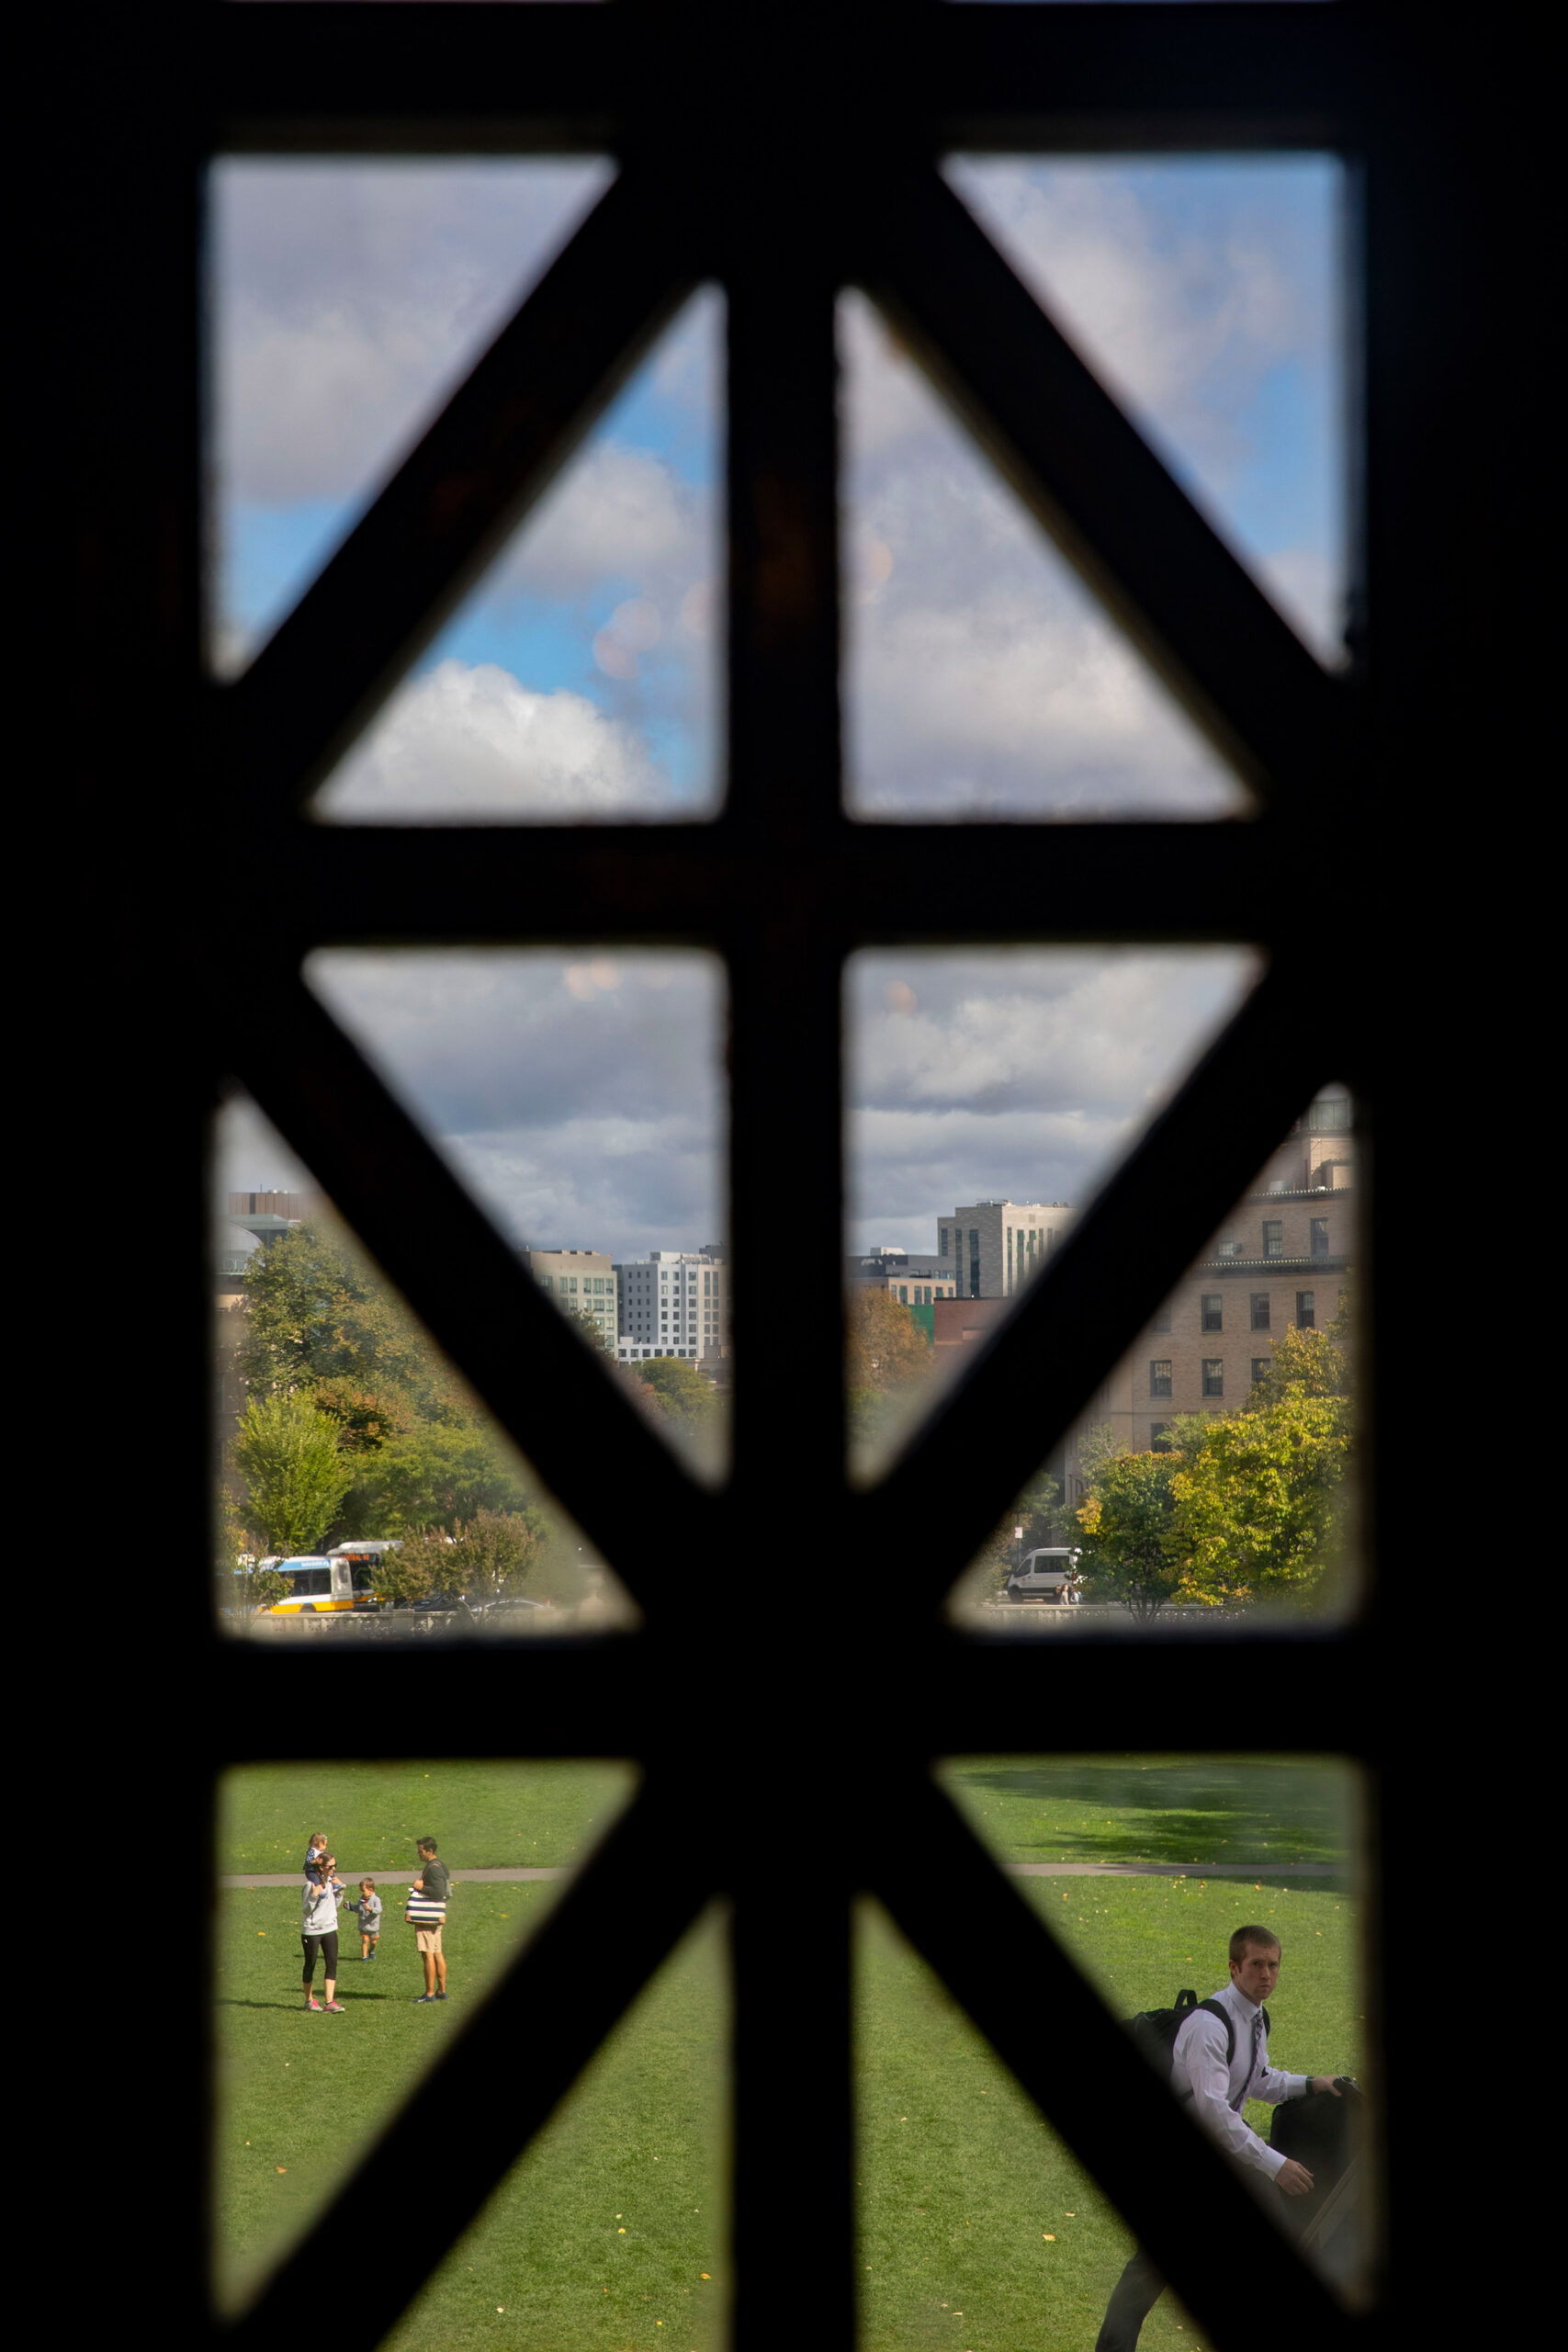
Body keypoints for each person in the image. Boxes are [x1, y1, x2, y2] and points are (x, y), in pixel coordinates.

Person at [1094, 1924, 1342, 2351]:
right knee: (1147, 2273)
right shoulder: (1210, 2026)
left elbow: (1256, 2079)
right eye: (1256, 1965)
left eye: (1274, 1965)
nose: (1267, 1975)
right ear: (1234, 1968)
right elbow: (1213, 2113)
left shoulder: (1256, 2018)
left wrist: (1312, 2083)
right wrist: (1275, 2164)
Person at [301, 1852, 347, 2014]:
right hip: (312, 1931)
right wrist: (314, 1896)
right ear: (321, 1867)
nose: (333, 1869)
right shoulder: (310, 1885)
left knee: (331, 1963)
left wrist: (340, 1892)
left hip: (329, 1928)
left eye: (335, 1866)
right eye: (330, 1867)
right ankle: (309, 2000)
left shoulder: (329, 1883)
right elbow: (306, 1911)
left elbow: (332, 1905)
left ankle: (329, 2001)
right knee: (310, 1964)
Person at [407, 1837, 450, 2003]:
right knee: (438, 1953)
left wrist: (420, 1887)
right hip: (437, 1917)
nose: (418, 1854)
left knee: (428, 1955)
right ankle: (441, 1991)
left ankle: (430, 1993)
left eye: (420, 1851)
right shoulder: (440, 1865)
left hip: (427, 1919)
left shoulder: (433, 1869)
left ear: (429, 1851)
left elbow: (438, 1892)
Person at [347, 1878, 382, 1962]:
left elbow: (379, 1910)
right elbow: (358, 1908)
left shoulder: (376, 1900)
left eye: (363, 1891)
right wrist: (350, 1907)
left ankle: (372, 1951)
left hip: (373, 1925)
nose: (361, 1893)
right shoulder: (361, 1899)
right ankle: (364, 1957)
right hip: (364, 1925)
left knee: (373, 1941)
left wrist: (371, 1909)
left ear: (370, 1890)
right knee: (365, 1940)